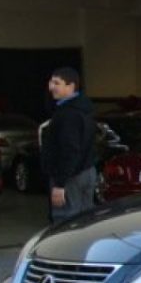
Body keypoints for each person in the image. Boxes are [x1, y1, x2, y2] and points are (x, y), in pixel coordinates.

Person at [40, 67, 97, 223]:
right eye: (51, 82)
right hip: (87, 170)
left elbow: (70, 150)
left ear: (70, 86)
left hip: (71, 177)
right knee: (86, 219)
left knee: (65, 220)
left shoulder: (68, 115)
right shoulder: (85, 110)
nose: (51, 87)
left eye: (57, 83)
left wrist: (60, 183)